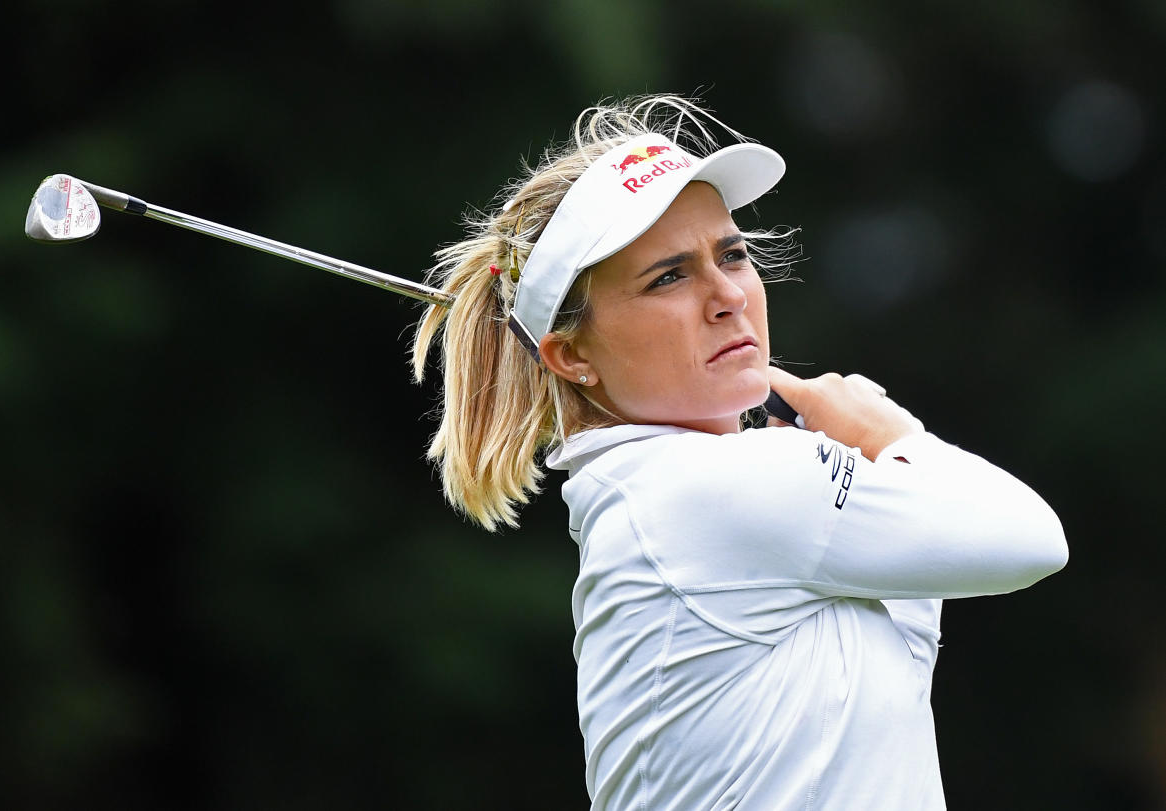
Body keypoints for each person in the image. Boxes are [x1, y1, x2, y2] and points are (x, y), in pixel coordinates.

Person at [410, 94, 1068, 810]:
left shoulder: (693, 490)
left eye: (731, 254)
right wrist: (884, 433)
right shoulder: (711, 488)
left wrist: (844, 452)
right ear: (570, 356)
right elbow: (1032, 539)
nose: (726, 294)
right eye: (668, 276)